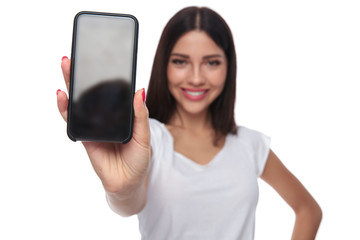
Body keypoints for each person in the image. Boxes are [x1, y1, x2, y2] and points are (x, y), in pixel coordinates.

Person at [57, 6, 322, 240]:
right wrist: (121, 189)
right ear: (164, 65)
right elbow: (129, 204)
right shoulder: (151, 139)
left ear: (229, 68)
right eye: (181, 62)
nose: (196, 78)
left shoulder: (250, 144)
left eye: (212, 62)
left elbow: (308, 209)